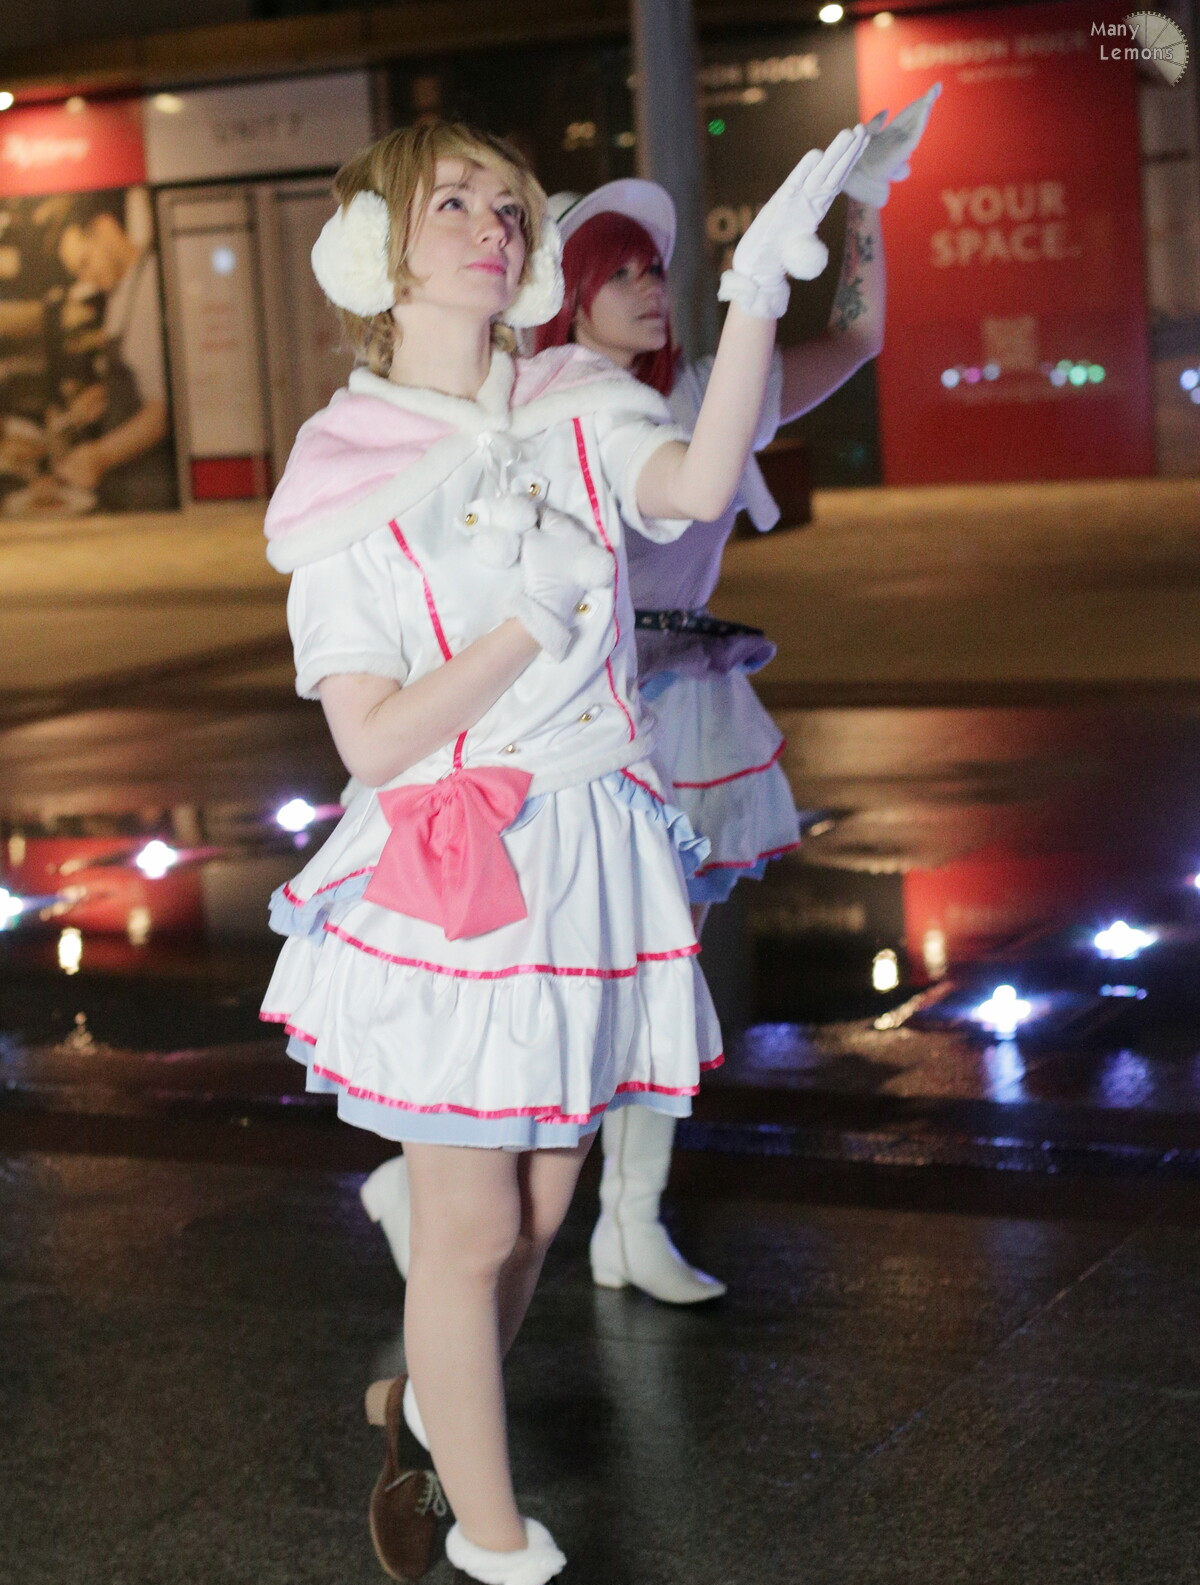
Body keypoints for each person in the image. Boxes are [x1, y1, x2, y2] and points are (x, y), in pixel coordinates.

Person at [261, 116, 867, 1585]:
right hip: (458, 871)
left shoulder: (571, 401)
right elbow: (374, 741)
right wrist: (524, 629)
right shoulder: (343, 472)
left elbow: (698, 476)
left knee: (535, 1219)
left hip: (592, 850)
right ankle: (499, 1579)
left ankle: (422, 1419)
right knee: (470, 1231)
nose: (493, 224)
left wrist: (756, 293)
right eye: (451, 202)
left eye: (506, 204)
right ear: (377, 255)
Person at [359, 87, 940, 1306]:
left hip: (684, 700)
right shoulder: (525, 411)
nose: (648, 286)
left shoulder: (698, 395)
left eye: (655, 269)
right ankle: (438, 1180)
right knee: (561, 972)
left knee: (653, 966)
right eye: (618, 269)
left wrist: (865, 205)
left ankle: (628, 1218)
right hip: (565, 719)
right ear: (563, 292)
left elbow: (858, 340)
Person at [50, 197, 174, 510]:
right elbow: (138, 379)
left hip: (152, 492)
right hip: (128, 489)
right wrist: (105, 396)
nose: (86, 279)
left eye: (85, 262)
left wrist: (98, 457)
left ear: (105, 228)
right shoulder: (121, 291)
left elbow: (163, 412)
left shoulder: (152, 285)